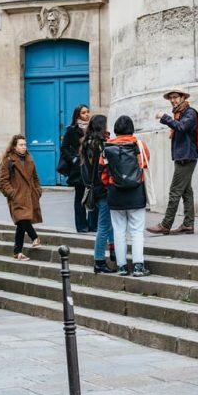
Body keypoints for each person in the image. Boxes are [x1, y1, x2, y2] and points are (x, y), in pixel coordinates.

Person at [100, 115, 151, 277]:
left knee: (118, 231)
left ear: (116, 129)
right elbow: (144, 164)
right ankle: (138, 266)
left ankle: (122, 266)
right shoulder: (139, 145)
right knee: (136, 231)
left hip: (115, 192)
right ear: (131, 128)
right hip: (136, 192)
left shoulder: (107, 147)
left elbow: (103, 173)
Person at [147, 86, 198, 236]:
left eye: (176, 97)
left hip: (186, 157)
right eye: (171, 98)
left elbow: (181, 127)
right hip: (182, 156)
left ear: (183, 98)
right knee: (186, 192)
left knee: (175, 191)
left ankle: (165, 224)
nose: (173, 100)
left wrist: (164, 117)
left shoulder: (190, 113)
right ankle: (188, 224)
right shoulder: (179, 113)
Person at [80, 115, 117, 274]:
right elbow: (104, 169)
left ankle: (113, 250)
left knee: (107, 224)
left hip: (94, 189)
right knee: (103, 226)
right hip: (102, 189)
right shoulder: (100, 145)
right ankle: (99, 261)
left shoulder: (87, 143)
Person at [0, 134, 42, 260]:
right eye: (21, 145)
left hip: (29, 195)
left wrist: (38, 190)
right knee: (23, 219)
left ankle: (17, 252)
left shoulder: (29, 159)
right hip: (17, 196)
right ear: (14, 146)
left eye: (25, 144)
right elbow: (3, 181)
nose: (24, 147)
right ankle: (35, 237)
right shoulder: (8, 160)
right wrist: (12, 193)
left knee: (22, 223)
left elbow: (35, 177)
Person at [61, 104, 97, 233]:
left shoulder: (93, 128)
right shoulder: (72, 130)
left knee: (95, 195)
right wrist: (74, 159)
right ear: (77, 115)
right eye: (83, 113)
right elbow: (64, 148)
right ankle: (82, 226)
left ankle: (93, 224)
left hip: (93, 167)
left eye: (87, 112)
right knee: (80, 197)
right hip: (79, 169)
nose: (87, 114)